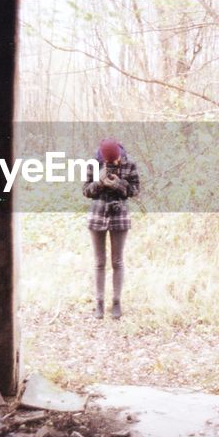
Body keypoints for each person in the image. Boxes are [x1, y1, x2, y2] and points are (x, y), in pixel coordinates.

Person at [82, 136, 140, 319]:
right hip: (98, 214)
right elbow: (85, 191)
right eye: (109, 161)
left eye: (116, 160)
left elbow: (135, 190)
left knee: (117, 261)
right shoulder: (92, 164)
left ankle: (116, 302)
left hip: (120, 214)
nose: (114, 163)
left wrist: (119, 184)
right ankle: (98, 303)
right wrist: (99, 183)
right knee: (99, 262)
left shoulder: (129, 164)